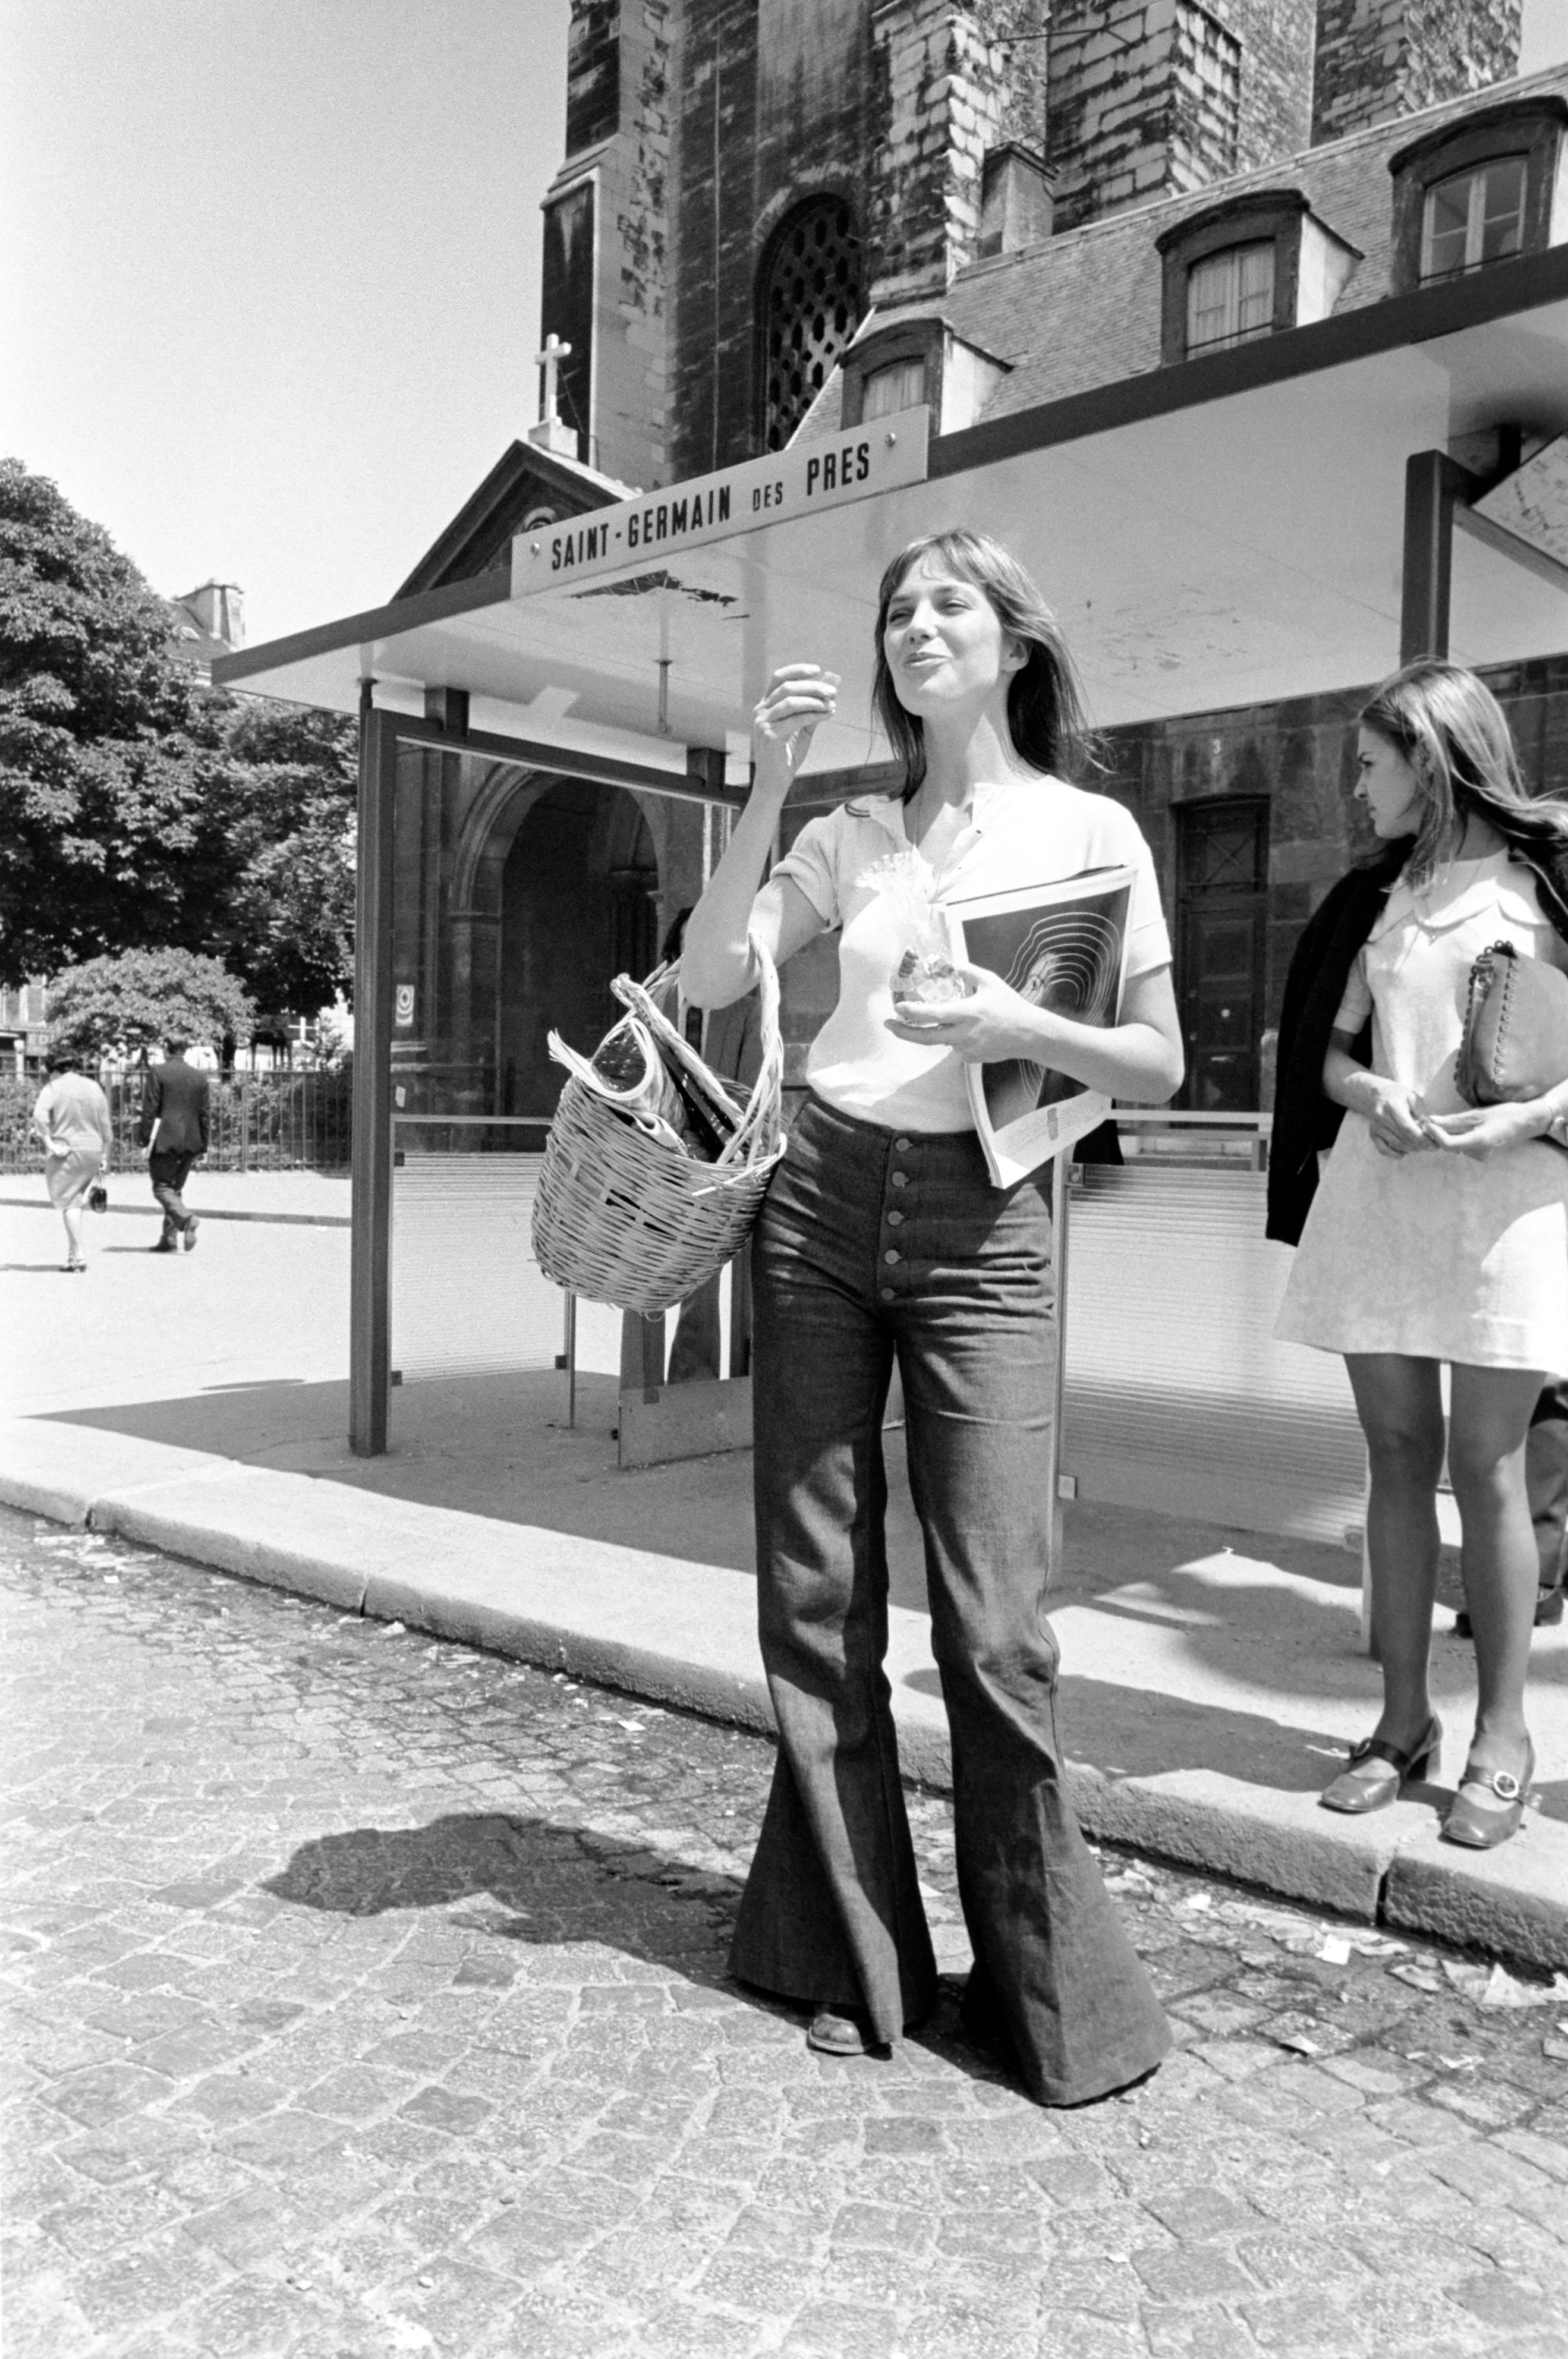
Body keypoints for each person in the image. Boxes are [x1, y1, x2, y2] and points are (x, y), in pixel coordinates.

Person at [681, 528, 1183, 2106]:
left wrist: (1014, 1018)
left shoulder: (1090, 829)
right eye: (896, 608)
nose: (913, 625)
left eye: (945, 603)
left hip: (988, 1216)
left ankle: (1045, 1999)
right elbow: (707, 978)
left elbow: (1156, 1063)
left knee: (995, 1623)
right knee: (813, 1596)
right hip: (818, 1201)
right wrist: (763, 781)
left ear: (1013, 641)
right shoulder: (846, 832)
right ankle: (848, 1954)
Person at [1270, 660, 1568, 1850]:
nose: (1354, 783)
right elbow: (1329, 1054)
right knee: (1395, 1457)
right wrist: (1368, 1090)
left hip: (1506, 1208)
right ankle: (1400, 1726)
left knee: (1488, 1465)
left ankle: (1503, 1735)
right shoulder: (1375, 896)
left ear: (1428, 755)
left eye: (1369, 759)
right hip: (1383, 1200)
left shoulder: (1546, 880)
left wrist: (1527, 1116)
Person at [30, 1049, 113, 1272]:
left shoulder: (53, 1088)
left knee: (69, 1203)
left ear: (54, 1070)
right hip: (93, 1150)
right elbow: (105, 1121)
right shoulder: (94, 1086)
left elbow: (39, 1115)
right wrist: (104, 1152)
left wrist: (49, 1143)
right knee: (75, 1202)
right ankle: (71, 1258)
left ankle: (79, 1255)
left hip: (67, 1151)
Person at [138, 1035, 210, 1253]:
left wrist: (144, 1140)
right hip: (191, 1140)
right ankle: (168, 1240)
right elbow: (205, 1115)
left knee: (162, 1187)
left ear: (167, 1049)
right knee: (175, 1189)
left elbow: (150, 1110)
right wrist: (204, 1145)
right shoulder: (200, 1077)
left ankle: (187, 1220)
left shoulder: (158, 1072)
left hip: (164, 1140)